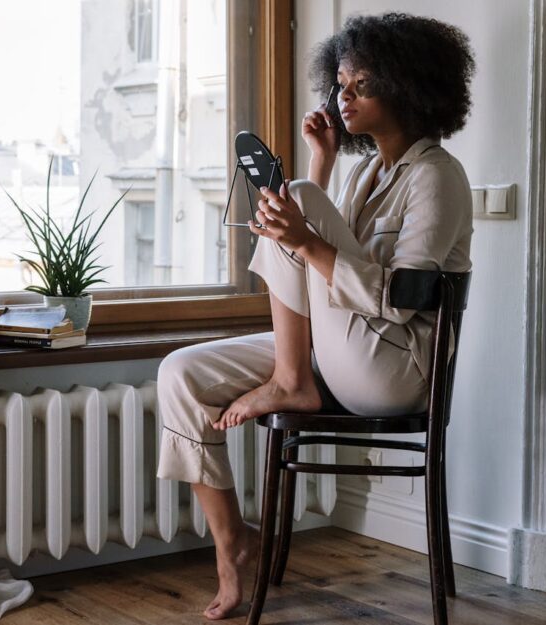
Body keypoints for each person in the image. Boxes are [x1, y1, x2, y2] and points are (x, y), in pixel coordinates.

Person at [156, 12, 475, 620]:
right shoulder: (365, 172)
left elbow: (400, 300)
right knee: (179, 373)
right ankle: (234, 544)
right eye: (341, 84)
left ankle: (291, 380)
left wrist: (303, 229)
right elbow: (321, 256)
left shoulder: (437, 177)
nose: (343, 96)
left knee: (294, 196)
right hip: (337, 351)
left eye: (362, 84)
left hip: (389, 367)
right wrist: (322, 159)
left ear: (406, 87)